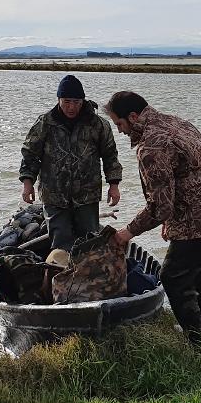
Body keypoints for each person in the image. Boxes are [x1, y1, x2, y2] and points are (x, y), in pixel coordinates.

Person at [104, 92, 201, 347]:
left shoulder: (152, 145)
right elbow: (187, 178)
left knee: (173, 277)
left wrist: (127, 232)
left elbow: (160, 206)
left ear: (133, 117)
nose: (120, 131)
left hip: (199, 220)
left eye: (119, 124)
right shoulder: (177, 122)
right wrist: (169, 223)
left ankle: (196, 342)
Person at [19, 75, 123, 265]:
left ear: (83, 101)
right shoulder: (45, 123)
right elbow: (30, 155)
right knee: (60, 244)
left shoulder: (98, 124)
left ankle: (89, 284)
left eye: (76, 102)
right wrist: (27, 184)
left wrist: (113, 185)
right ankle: (62, 284)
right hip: (54, 195)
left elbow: (110, 156)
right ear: (59, 100)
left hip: (87, 195)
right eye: (66, 102)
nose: (71, 107)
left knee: (90, 243)